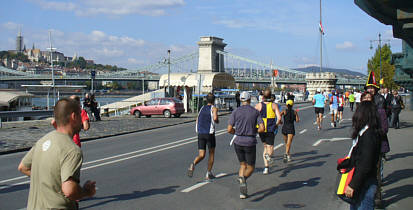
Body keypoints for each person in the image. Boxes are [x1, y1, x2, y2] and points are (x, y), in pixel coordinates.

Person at [18, 98, 96, 210]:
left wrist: (49, 180)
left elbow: (23, 167)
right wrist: (86, 192)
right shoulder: (72, 150)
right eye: (80, 115)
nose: (81, 119)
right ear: (74, 117)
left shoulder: (42, 141)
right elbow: (69, 190)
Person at [339, 101, 382, 210]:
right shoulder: (369, 132)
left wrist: (353, 184)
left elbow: (365, 163)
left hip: (364, 183)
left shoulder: (368, 135)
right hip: (364, 181)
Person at [227, 91, 265, 199]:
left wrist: (237, 132)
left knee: (242, 165)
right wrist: (254, 131)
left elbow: (229, 129)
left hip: (238, 141)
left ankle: (242, 192)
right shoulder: (255, 112)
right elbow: (262, 128)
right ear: (250, 99)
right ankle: (243, 179)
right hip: (250, 142)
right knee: (251, 167)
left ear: (241, 100)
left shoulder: (235, 112)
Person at [365, 71, 389, 207]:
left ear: (376, 89)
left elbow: (384, 126)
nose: (370, 90)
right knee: (368, 169)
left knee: (377, 171)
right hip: (367, 143)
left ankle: (378, 197)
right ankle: (370, 194)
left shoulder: (380, 101)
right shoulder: (366, 101)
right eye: (368, 88)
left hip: (377, 142)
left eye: (372, 88)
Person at [188, 93, 219, 181]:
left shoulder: (202, 108)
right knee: (211, 154)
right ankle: (208, 173)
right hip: (209, 133)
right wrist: (217, 121)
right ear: (213, 100)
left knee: (201, 154)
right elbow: (215, 118)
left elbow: (197, 119)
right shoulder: (214, 108)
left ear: (206, 100)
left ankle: (193, 164)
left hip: (201, 133)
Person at [255, 89, 282, 174]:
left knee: (265, 147)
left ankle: (266, 167)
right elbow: (279, 118)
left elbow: (254, 117)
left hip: (261, 129)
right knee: (270, 147)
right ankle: (268, 156)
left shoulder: (258, 105)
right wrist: (276, 125)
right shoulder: (274, 105)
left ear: (262, 97)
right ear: (271, 96)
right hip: (270, 128)